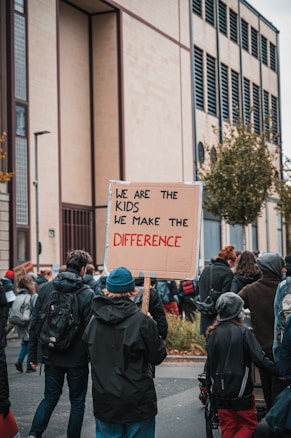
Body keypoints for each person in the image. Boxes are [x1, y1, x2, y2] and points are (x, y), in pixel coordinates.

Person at [83, 266, 167, 438]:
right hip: (138, 399)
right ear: (132, 290)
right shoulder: (142, 321)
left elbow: (87, 354)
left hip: (105, 399)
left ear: (108, 289)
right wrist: (152, 329)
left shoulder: (94, 322)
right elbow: (158, 356)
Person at [28, 250, 95, 438]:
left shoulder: (47, 289)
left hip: (51, 353)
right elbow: (91, 331)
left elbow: (35, 324)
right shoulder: (87, 293)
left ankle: (34, 433)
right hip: (77, 357)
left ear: (66, 265)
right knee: (77, 402)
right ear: (83, 269)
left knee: (49, 397)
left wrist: (34, 355)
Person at [206, 292, 282, 438]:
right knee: (249, 424)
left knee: (228, 427)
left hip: (220, 391)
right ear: (236, 312)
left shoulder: (212, 334)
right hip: (241, 390)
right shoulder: (243, 333)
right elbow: (260, 359)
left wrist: (211, 393)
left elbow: (210, 366)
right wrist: (279, 372)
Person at [238, 252, 286, 412]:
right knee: (284, 391)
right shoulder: (285, 288)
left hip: (262, 350)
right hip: (285, 349)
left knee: (267, 389)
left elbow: (234, 304)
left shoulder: (251, 289)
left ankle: (271, 419)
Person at [199, 245, 237, 336]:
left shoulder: (206, 269)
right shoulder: (227, 273)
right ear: (229, 261)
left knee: (209, 344)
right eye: (233, 264)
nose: (232, 267)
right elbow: (227, 297)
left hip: (205, 314)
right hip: (219, 319)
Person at [14, 275, 37, 373]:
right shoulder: (31, 296)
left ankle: (20, 361)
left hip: (18, 321)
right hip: (28, 321)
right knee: (30, 343)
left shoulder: (18, 295)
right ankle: (29, 365)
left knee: (25, 342)